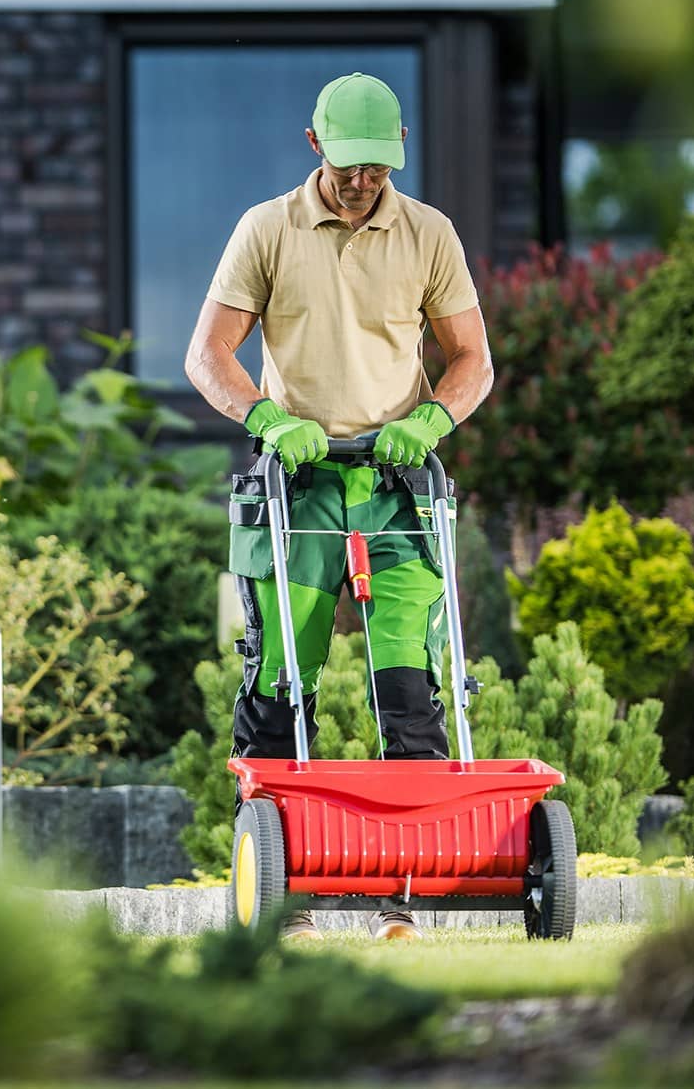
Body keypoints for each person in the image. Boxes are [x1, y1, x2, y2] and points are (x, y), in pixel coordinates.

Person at [183, 72, 494, 943]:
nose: (364, 182)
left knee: (410, 682)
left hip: (398, 490)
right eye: (350, 165)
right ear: (315, 145)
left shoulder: (428, 233)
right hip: (303, 486)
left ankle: (407, 893)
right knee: (283, 676)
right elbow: (208, 354)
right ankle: (291, 898)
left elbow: (473, 357)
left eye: (379, 167)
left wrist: (435, 416)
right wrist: (266, 417)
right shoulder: (266, 230)